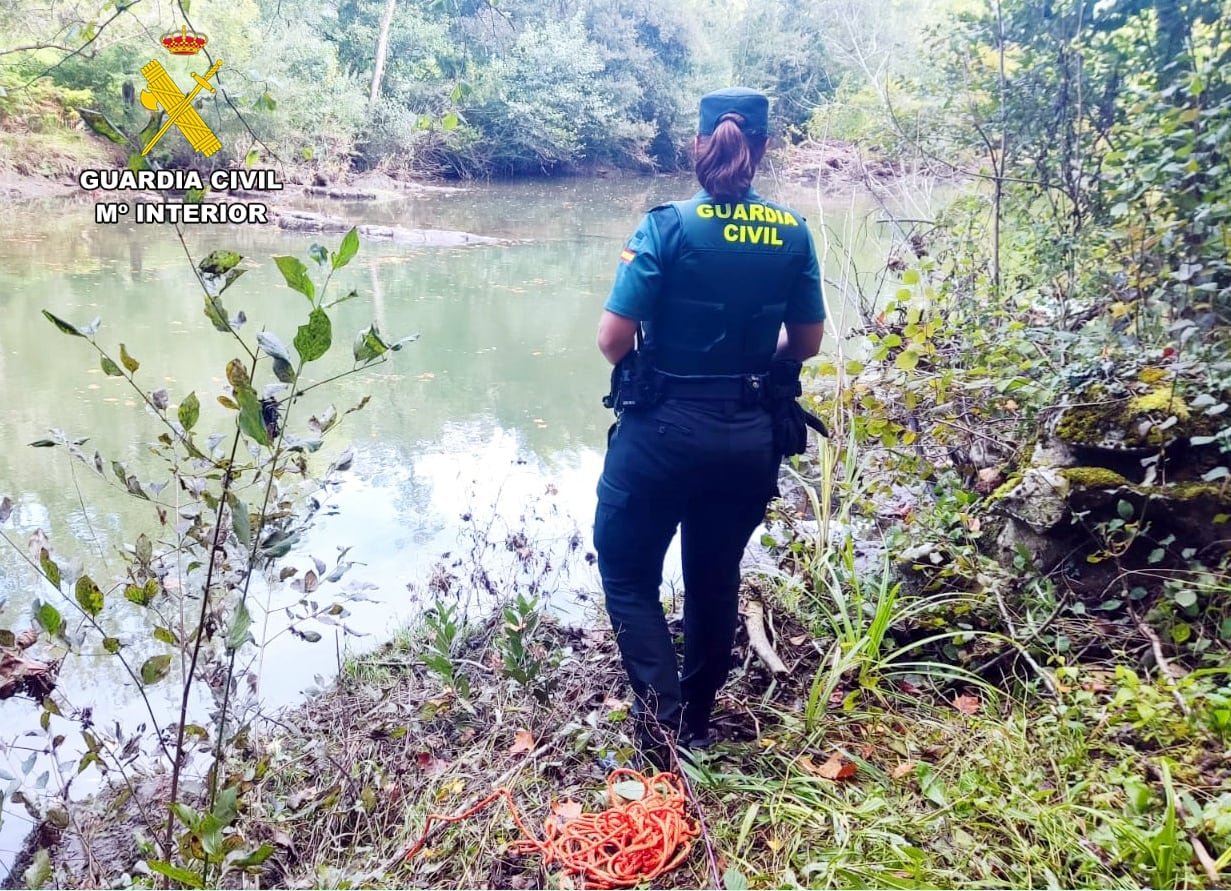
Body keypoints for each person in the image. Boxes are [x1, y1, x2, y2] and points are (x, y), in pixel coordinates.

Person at [593, 87, 826, 765]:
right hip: (747, 437)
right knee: (714, 573)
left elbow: (612, 341)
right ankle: (695, 720)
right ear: (763, 147)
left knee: (628, 569)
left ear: (699, 145)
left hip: (660, 435)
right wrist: (753, 371)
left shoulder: (663, 227)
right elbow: (805, 343)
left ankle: (659, 726)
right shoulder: (792, 232)